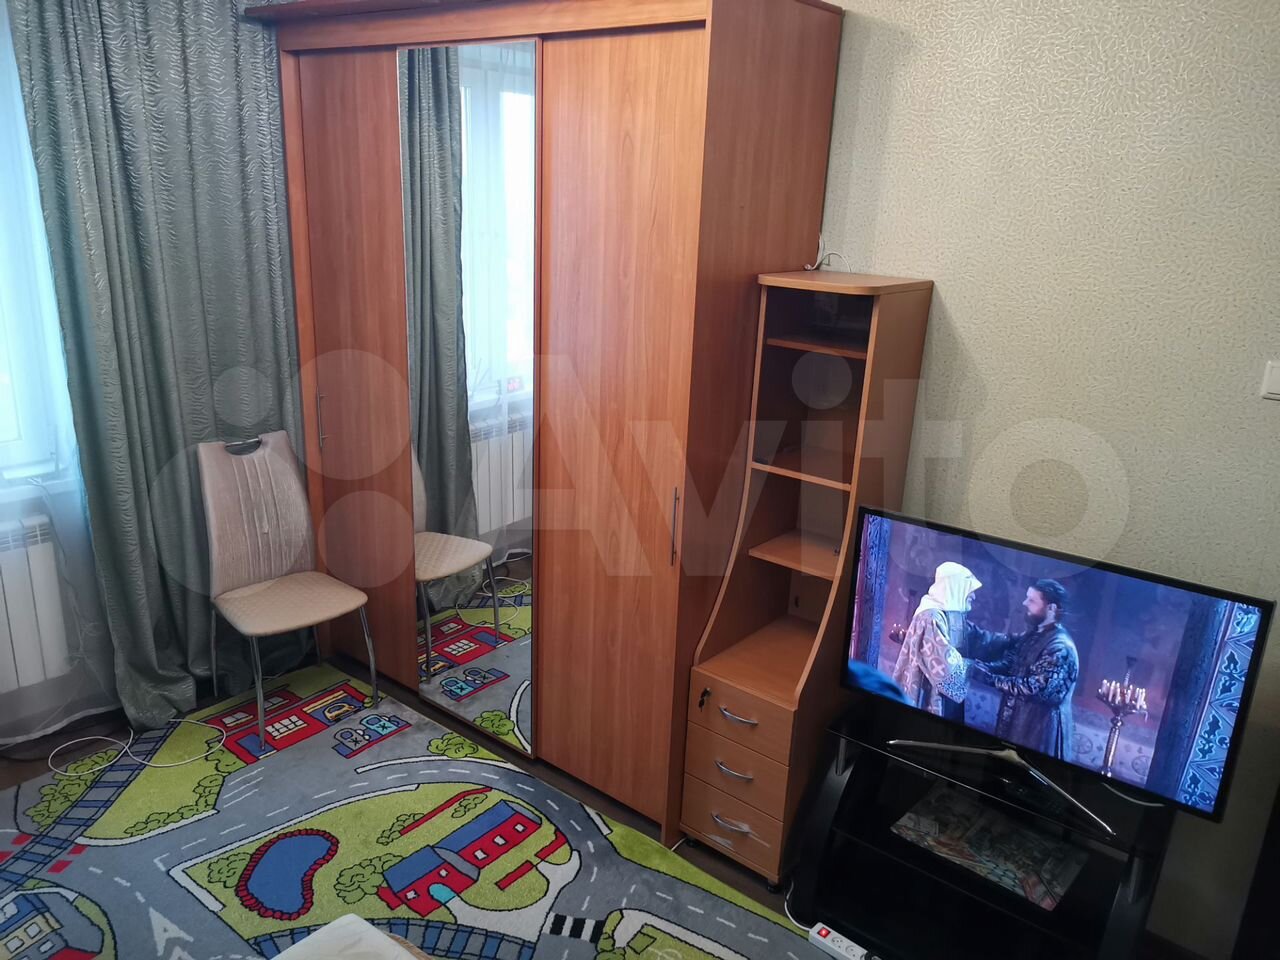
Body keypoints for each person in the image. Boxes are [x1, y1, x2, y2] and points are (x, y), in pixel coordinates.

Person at [967, 579, 1079, 760]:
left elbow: (1035, 688)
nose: (1025, 603)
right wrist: (984, 668)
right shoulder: (1034, 633)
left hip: (1039, 730)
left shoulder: (1060, 646)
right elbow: (1013, 665)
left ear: (1051, 608)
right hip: (1019, 723)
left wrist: (989, 678)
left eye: (1032, 600)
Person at [891, 561, 982, 721]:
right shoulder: (931, 617)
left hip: (942, 693)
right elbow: (943, 664)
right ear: (955, 586)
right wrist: (974, 669)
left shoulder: (949, 615)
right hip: (928, 694)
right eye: (970, 590)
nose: (973, 596)